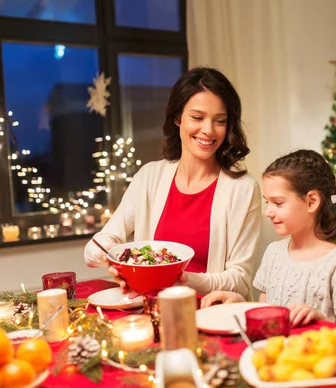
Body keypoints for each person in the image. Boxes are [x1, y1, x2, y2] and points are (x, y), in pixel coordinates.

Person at [84, 67, 261, 300]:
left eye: (220, 121)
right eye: (197, 118)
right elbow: (93, 250)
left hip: (214, 317)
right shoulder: (149, 177)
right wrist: (120, 263)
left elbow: (239, 280)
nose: (208, 131)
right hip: (153, 312)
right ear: (177, 118)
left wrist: (183, 278)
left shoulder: (243, 189)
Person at [201, 149, 336, 327]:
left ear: (312, 201)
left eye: (278, 203)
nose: (268, 212)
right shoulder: (273, 252)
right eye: (268, 202)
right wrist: (239, 304)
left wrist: (320, 320)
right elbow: (266, 314)